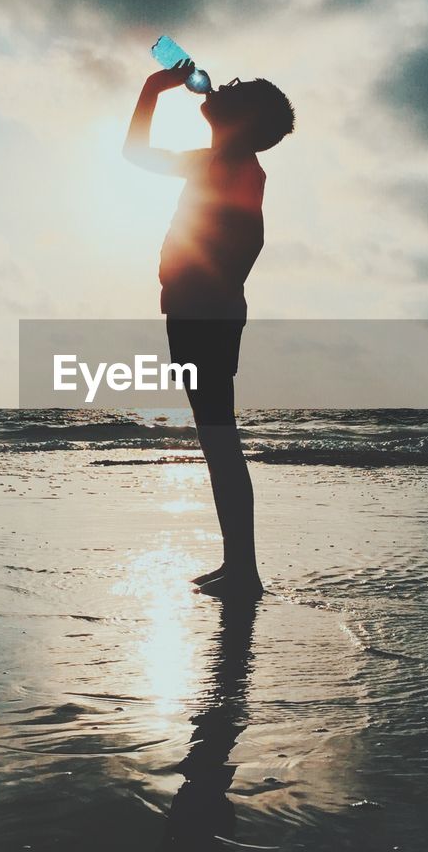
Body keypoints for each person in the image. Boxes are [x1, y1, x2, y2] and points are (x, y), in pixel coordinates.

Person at [123, 60, 294, 600]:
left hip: (207, 314)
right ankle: (238, 563)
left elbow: (251, 240)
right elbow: (136, 155)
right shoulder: (211, 161)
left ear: (242, 121)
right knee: (216, 440)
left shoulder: (243, 169)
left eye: (237, 90)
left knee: (220, 440)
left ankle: (244, 569)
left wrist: (210, 292)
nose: (225, 84)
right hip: (194, 311)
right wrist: (153, 89)